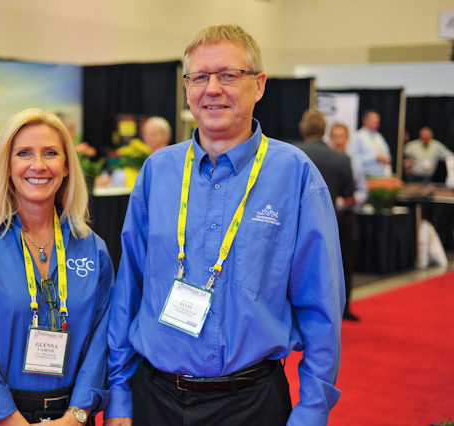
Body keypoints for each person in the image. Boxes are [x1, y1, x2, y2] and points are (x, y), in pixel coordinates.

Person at [106, 24, 345, 426]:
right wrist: (119, 395)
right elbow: (129, 289)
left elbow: (321, 305)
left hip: (251, 404)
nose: (212, 89)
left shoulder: (294, 175)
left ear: (259, 85)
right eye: (199, 77)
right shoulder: (157, 172)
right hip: (154, 399)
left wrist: (311, 410)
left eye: (228, 75)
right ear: (187, 88)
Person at [0, 108, 114, 425]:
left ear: (66, 166)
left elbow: (101, 337)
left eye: (50, 153)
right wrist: (10, 420)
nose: (38, 165)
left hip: (73, 415)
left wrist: (77, 415)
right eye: (24, 153)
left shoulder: (93, 248)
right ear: (7, 166)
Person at [296, 113, 359, 322]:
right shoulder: (341, 158)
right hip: (333, 221)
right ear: (325, 130)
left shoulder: (293, 154)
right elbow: (348, 194)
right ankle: (343, 309)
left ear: (303, 128)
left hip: (299, 222)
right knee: (341, 265)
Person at [330, 123, 368, 207]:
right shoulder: (326, 163)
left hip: (348, 211)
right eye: (335, 137)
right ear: (330, 139)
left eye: (342, 136)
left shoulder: (355, 163)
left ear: (348, 138)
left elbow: (363, 191)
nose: (339, 141)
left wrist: (351, 200)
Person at [347, 110, 392, 178]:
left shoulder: (379, 137)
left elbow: (388, 157)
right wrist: (373, 157)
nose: (375, 123)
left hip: (382, 176)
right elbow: (352, 159)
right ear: (365, 120)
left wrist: (385, 159)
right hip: (364, 176)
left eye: (377, 121)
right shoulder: (357, 136)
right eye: (373, 121)